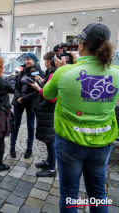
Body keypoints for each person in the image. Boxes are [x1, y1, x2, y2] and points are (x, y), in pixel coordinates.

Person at [42, 23, 119, 212]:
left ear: (82, 45)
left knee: (69, 193)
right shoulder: (116, 73)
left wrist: (60, 69)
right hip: (102, 141)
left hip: (70, 141)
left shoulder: (65, 72)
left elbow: (47, 95)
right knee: (98, 193)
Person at [10, 52, 44, 159]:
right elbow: (15, 86)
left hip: (31, 102)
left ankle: (29, 149)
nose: (26, 62)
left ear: (34, 60)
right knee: (15, 124)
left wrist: (23, 98)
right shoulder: (21, 70)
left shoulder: (39, 72)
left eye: (28, 59)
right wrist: (19, 97)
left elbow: (38, 90)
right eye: (25, 60)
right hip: (18, 101)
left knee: (30, 125)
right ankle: (12, 147)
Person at [29, 51, 57, 177]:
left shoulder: (53, 74)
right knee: (48, 140)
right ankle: (48, 161)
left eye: (45, 60)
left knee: (50, 140)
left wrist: (38, 88)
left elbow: (50, 97)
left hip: (49, 111)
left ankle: (51, 169)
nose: (45, 63)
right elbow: (48, 88)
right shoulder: (50, 73)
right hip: (47, 112)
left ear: (49, 61)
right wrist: (41, 81)